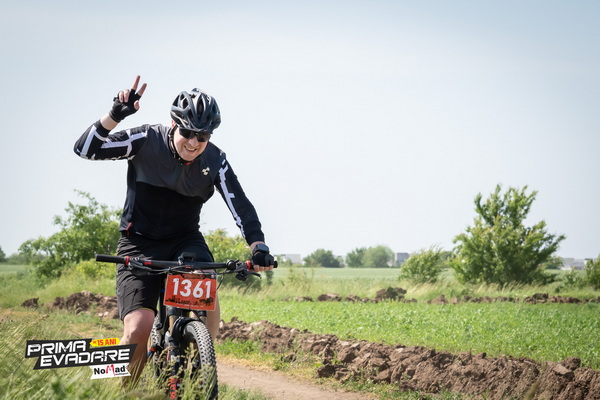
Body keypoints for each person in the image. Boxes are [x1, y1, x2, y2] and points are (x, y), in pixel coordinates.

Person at [74, 75, 275, 383]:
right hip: (139, 243)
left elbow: (242, 207)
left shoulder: (215, 160)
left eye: (202, 136)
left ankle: (198, 365)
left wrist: (257, 246)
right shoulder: (146, 139)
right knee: (139, 328)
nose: (193, 143)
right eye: (187, 132)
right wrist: (114, 115)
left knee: (205, 286)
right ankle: (126, 389)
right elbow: (85, 149)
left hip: (185, 241)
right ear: (173, 124)